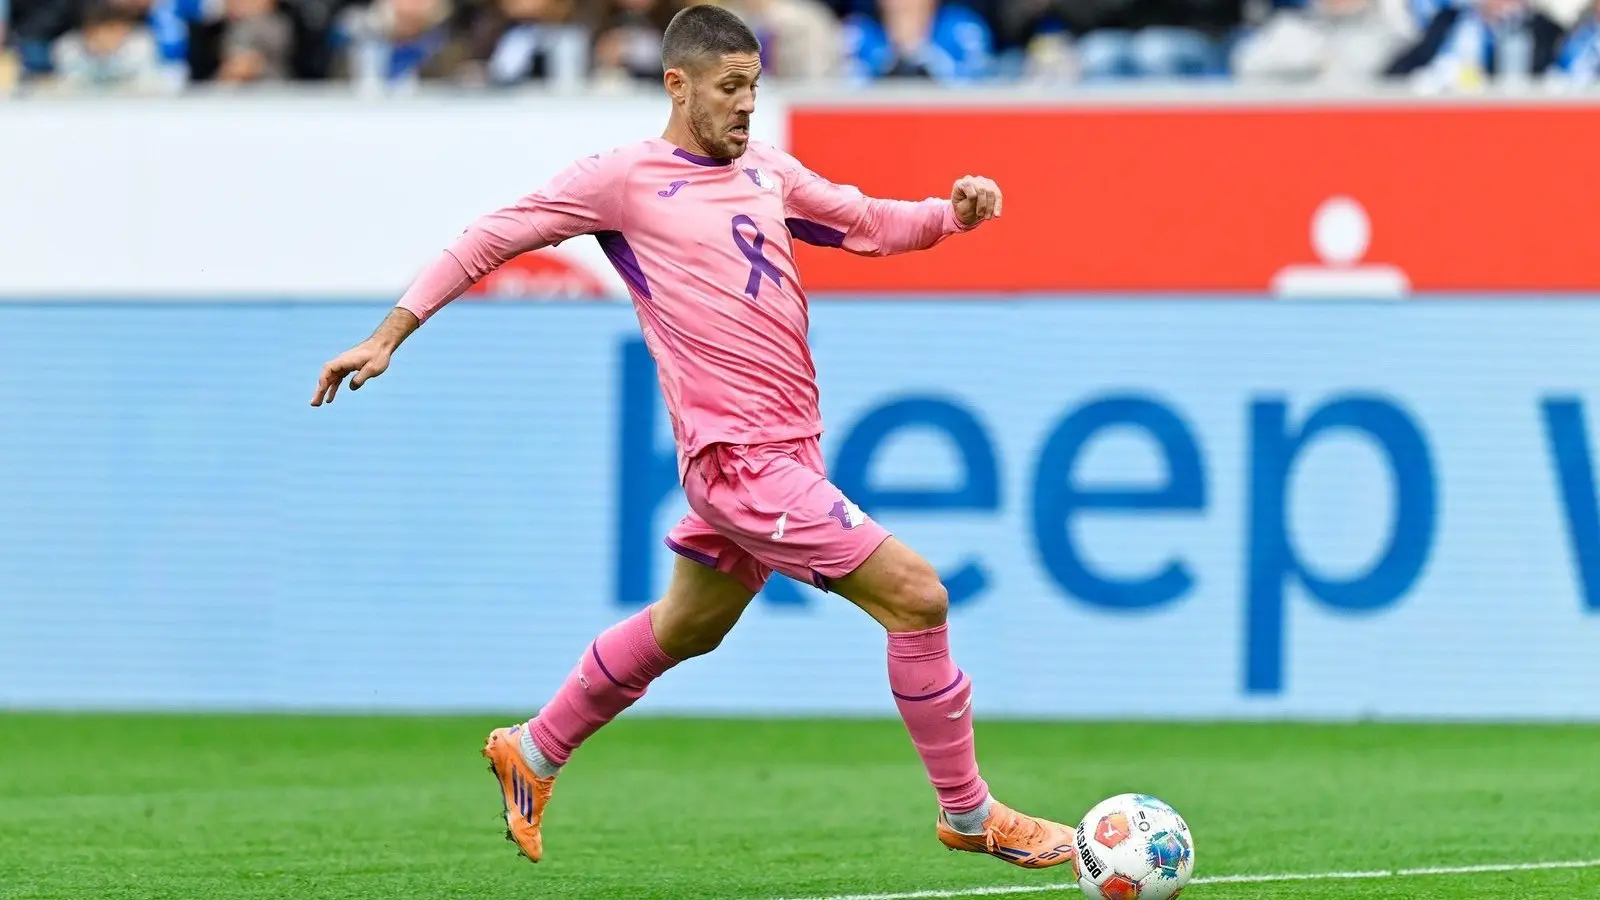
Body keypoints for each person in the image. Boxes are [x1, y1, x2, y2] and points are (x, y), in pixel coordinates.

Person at [308, 3, 1079, 872]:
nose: (746, 104)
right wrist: (390, 333)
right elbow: (491, 236)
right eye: (729, 87)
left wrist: (953, 214)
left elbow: (867, 223)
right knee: (919, 596)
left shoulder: (767, 170)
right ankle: (969, 813)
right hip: (738, 460)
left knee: (688, 625)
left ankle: (535, 748)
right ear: (677, 85)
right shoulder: (624, 179)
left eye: (754, 86)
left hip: (790, 450)